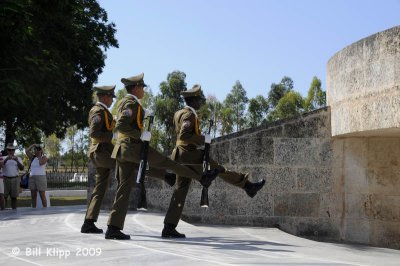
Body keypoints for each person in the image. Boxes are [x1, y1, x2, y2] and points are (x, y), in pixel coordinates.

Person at [105, 73, 219, 240]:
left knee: (124, 188)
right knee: (168, 163)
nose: (143, 90)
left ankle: (113, 227)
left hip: (124, 149)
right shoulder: (130, 103)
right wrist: (141, 134)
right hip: (132, 147)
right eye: (142, 87)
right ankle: (201, 177)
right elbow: (121, 124)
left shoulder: (124, 102)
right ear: (136, 88)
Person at [162, 85, 266, 238]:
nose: (201, 102)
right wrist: (204, 138)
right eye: (199, 99)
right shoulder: (189, 114)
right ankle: (247, 185)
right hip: (188, 154)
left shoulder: (179, 112)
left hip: (179, 154)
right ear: (193, 100)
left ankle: (169, 227)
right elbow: (184, 135)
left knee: (180, 190)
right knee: (218, 169)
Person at [81, 85, 117, 234]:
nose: (112, 100)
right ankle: (164, 175)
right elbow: (95, 133)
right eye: (110, 97)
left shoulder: (104, 112)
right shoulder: (97, 111)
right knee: (129, 164)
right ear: (103, 97)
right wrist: (113, 136)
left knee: (100, 188)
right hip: (101, 151)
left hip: (104, 151)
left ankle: (88, 222)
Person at [25, 144, 48, 208]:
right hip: (32, 177)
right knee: (33, 195)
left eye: (38, 149)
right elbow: (26, 151)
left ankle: (45, 209)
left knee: (42, 195)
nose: (36, 151)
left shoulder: (44, 157)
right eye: (35, 150)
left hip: (41, 177)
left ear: (41, 150)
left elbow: (41, 163)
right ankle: (34, 209)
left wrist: (40, 155)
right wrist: (33, 145)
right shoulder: (32, 157)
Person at [2, 143, 24, 209]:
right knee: (4, 196)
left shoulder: (18, 158)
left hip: (15, 179)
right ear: (7, 150)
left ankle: (14, 211)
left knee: (14, 197)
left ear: (14, 151)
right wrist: (6, 160)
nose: (11, 151)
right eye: (9, 150)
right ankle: (3, 211)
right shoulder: (3, 158)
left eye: (12, 150)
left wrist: (17, 161)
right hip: (5, 179)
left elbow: (22, 168)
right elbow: (1, 167)